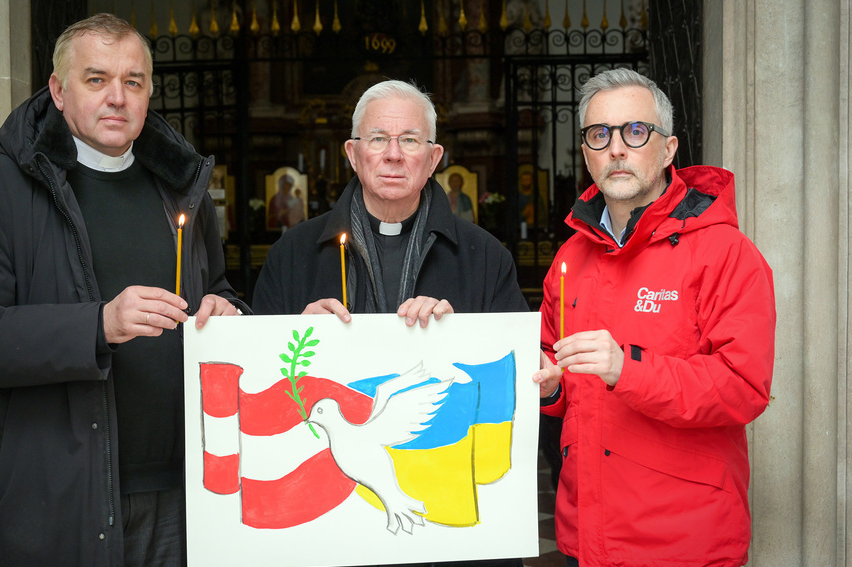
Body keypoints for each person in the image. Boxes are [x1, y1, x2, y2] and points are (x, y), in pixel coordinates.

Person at [0, 14, 248, 566]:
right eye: (96, 79)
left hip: (183, 490)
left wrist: (226, 308)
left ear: (149, 92)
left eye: (134, 82)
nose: (117, 98)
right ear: (57, 90)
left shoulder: (181, 189)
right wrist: (98, 325)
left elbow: (214, 287)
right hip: (57, 494)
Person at [532, 68, 775, 566]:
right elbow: (557, 381)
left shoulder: (726, 252)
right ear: (586, 154)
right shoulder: (569, 259)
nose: (616, 148)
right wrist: (549, 388)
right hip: (588, 536)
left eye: (634, 131)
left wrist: (628, 369)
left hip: (686, 542)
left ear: (668, 150)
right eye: (599, 135)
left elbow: (743, 387)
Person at [252, 79, 528, 325]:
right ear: (353, 155)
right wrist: (290, 334)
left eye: (409, 140)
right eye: (378, 138)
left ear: (434, 159)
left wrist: (455, 337)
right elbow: (257, 368)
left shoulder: (486, 258)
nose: (393, 154)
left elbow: (517, 365)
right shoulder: (289, 256)